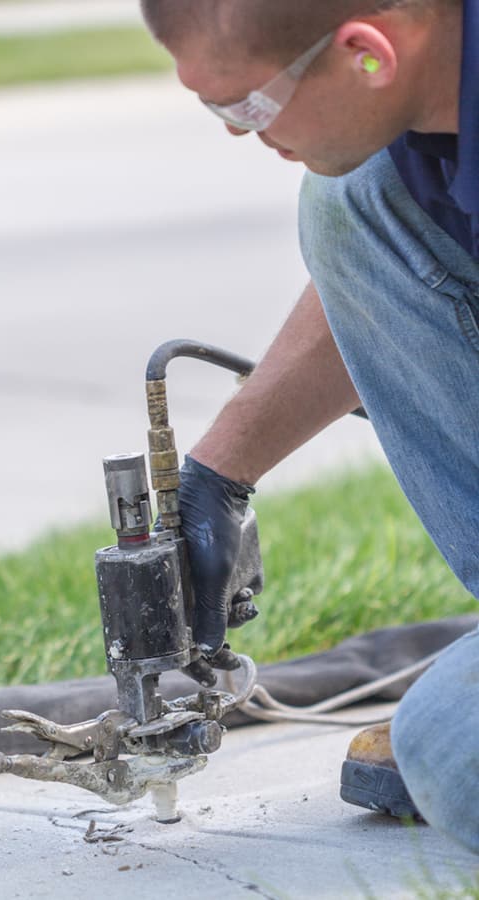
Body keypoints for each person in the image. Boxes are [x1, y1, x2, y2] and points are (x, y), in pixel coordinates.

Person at [140, 0, 479, 855]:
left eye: (244, 108)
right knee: (357, 199)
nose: (234, 133)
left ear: (367, 54)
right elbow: (412, 268)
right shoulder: (431, 92)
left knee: (448, 753)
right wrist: (215, 478)